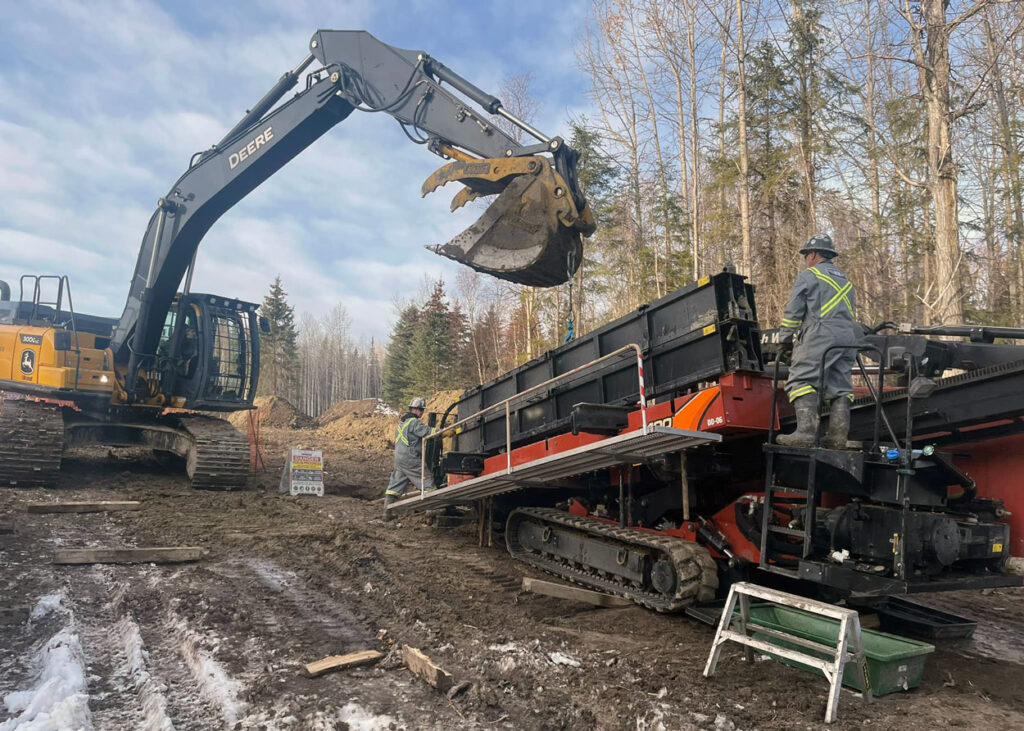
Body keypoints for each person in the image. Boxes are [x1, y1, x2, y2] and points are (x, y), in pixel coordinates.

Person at [776, 234, 858, 449]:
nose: (805, 259)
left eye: (806, 255)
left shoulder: (809, 276)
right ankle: (837, 438)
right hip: (849, 337)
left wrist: (784, 339)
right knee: (840, 387)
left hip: (821, 334)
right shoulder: (845, 280)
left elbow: (793, 311)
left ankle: (805, 433)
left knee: (801, 380)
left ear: (812, 254)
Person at [383, 396, 437, 518]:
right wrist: (442, 432)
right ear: (417, 410)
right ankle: (431, 512)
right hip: (410, 458)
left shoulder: (401, 425)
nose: (422, 413)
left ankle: (387, 512)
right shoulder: (414, 422)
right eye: (422, 410)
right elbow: (427, 432)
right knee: (427, 481)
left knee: (395, 485)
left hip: (398, 459)